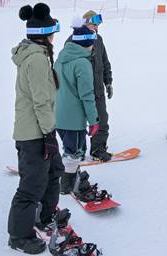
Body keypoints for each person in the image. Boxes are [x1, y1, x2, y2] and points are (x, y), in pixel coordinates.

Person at [8, 3, 64, 254]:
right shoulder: (37, 60)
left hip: (39, 130)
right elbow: (41, 101)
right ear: (45, 33)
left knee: (54, 172)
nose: (54, 35)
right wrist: (49, 134)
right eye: (53, 30)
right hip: (34, 133)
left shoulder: (38, 55)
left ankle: (44, 216)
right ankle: (19, 236)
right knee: (32, 184)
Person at [56, 24, 100, 194]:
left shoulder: (61, 57)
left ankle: (73, 176)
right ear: (87, 43)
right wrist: (93, 120)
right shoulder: (82, 63)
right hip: (74, 119)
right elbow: (86, 95)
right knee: (73, 152)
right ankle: (66, 185)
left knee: (71, 150)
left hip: (58, 115)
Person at [67, 10, 113, 161]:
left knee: (101, 121)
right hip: (79, 92)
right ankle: (77, 151)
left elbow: (105, 63)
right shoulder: (73, 40)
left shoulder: (98, 39)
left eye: (98, 24)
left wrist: (108, 82)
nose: (97, 27)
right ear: (85, 23)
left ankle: (98, 149)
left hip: (97, 90)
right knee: (78, 123)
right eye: (94, 24)